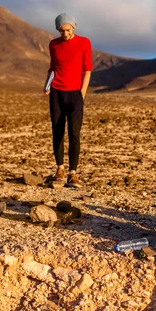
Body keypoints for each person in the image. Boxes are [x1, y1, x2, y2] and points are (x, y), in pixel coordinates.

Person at [43, 12, 92, 188]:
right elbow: (52, 68)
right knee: (57, 132)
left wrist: (82, 93)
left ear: (74, 27)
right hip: (56, 93)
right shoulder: (53, 45)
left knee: (74, 133)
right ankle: (60, 170)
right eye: (62, 30)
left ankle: (73, 173)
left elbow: (87, 69)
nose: (65, 34)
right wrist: (47, 85)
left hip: (75, 95)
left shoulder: (84, 42)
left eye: (68, 30)